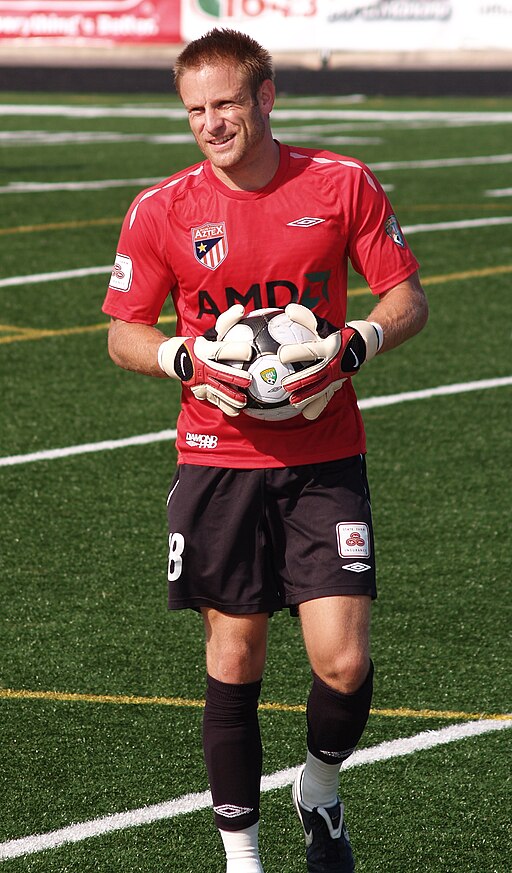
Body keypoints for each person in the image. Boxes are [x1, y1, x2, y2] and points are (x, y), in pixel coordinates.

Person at [102, 27, 428, 873]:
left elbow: (405, 297)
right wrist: (182, 357)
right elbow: (122, 334)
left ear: (266, 97)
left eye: (226, 104)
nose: (211, 123)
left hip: (324, 453)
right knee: (235, 652)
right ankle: (241, 857)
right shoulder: (160, 208)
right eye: (195, 111)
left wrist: (356, 343)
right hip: (217, 457)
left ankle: (317, 790)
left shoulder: (339, 182)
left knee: (344, 661)